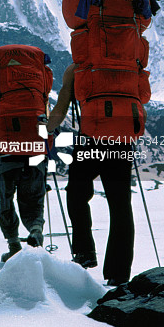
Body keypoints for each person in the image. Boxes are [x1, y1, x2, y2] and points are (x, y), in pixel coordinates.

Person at [47, 63, 135, 286]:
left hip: (89, 141)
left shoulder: (76, 68)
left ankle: (85, 252)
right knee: (120, 205)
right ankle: (119, 273)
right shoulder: (129, 63)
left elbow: (62, 106)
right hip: (121, 142)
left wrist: (47, 128)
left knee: (76, 194)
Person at [0, 112, 47, 262]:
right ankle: (36, 229)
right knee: (34, 201)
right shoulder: (38, 96)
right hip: (34, 156)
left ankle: (14, 246)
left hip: (5, 159)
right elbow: (49, 128)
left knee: (6, 202)